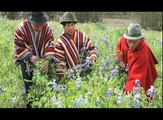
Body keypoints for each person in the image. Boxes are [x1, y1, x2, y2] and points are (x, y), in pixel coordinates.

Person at [13, 12, 55, 108]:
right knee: (28, 83)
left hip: (41, 59)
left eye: (41, 25)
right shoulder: (21, 28)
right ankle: (30, 104)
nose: (39, 28)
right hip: (26, 60)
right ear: (30, 21)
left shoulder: (47, 28)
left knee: (42, 83)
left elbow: (50, 43)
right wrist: (30, 56)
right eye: (36, 25)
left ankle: (41, 103)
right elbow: (18, 46)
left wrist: (47, 61)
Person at [116, 23, 158, 96]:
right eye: (129, 41)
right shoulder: (124, 40)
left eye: (134, 42)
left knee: (140, 90)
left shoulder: (143, 52)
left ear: (140, 39)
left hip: (138, 74)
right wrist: (121, 60)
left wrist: (128, 93)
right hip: (127, 70)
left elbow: (136, 78)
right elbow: (119, 49)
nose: (131, 45)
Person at [54, 12, 97, 83]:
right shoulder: (61, 41)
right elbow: (60, 61)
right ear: (64, 27)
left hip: (85, 69)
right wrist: (64, 75)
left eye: (72, 25)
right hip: (69, 73)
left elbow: (92, 49)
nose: (70, 27)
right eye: (68, 25)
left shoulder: (82, 36)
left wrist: (92, 58)